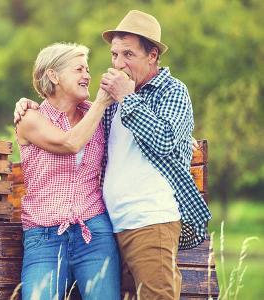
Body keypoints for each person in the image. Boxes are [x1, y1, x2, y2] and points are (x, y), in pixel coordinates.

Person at [14, 10, 212, 300]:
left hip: (148, 220)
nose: (118, 64)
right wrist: (30, 103)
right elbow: (76, 129)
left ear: (152, 55)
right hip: (112, 223)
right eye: (114, 55)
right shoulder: (107, 105)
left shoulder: (170, 91)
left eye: (128, 54)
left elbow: (166, 140)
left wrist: (126, 98)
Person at [16, 42, 120, 300]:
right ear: (53, 75)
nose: (87, 75)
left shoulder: (99, 114)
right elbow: (69, 143)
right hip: (44, 236)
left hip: (94, 231)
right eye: (79, 69)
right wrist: (101, 104)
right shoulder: (31, 118)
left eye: (88, 69)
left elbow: (136, 129)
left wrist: (184, 137)